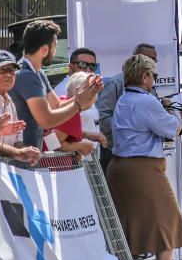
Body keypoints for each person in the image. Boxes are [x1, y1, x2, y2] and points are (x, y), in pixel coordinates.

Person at [106, 54, 182, 260]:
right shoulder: (146, 102)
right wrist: (180, 116)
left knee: (130, 223)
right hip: (143, 168)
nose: (154, 80)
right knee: (168, 219)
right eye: (153, 76)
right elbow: (171, 128)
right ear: (145, 77)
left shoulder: (125, 99)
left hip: (120, 166)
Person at [10, 20, 103, 150]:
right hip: (22, 158)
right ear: (45, 49)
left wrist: (86, 93)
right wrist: (78, 104)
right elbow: (47, 120)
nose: (55, 52)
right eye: (55, 46)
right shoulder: (26, 75)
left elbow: (57, 105)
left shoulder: (38, 73)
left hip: (31, 156)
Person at [97, 43, 158, 174]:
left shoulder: (150, 87)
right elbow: (103, 119)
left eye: (154, 60)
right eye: (147, 58)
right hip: (116, 154)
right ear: (135, 58)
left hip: (143, 156)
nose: (150, 62)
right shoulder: (115, 83)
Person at [45, 72, 104, 157]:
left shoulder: (63, 100)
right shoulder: (71, 115)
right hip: (59, 167)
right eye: (93, 93)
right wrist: (81, 146)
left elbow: (63, 133)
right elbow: (51, 142)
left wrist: (86, 134)